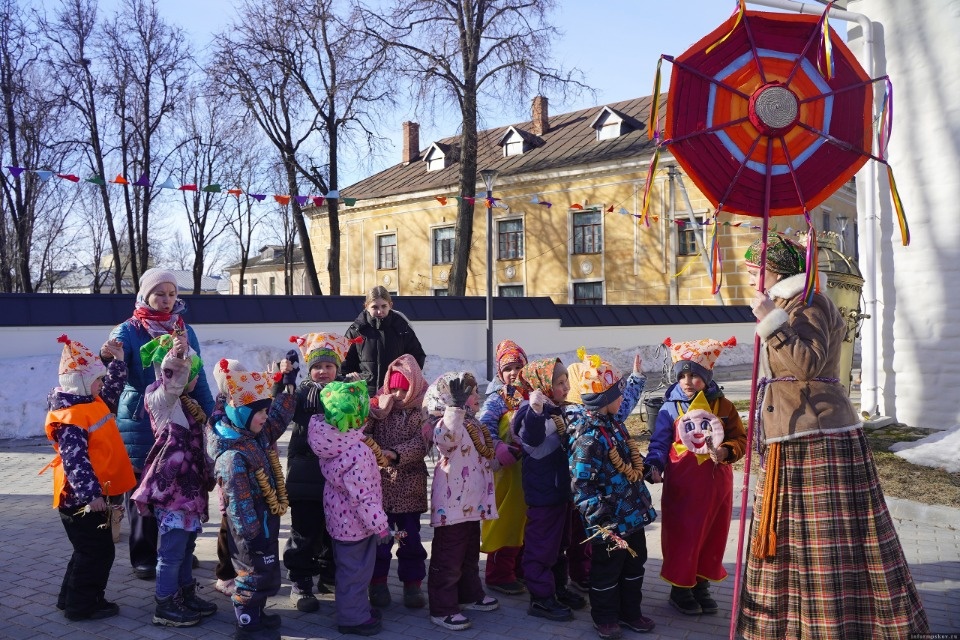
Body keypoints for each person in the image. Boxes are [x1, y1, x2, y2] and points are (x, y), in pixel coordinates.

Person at [736, 233, 929, 639]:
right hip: (793, 433)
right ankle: (790, 621)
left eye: (755, 269)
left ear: (776, 271)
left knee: (823, 538)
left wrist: (771, 322)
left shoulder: (811, 303)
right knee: (793, 535)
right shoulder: (789, 303)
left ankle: (833, 622)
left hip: (817, 436)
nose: (750, 276)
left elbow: (806, 364)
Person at [101, 267, 215, 580]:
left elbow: (198, 375)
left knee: (179, 485)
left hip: (179, 416)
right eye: (160, 294)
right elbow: (112, 360)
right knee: (143, 486)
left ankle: (178, 550)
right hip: (139, 418)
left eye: (172, 294)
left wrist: (210, 415)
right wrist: (108, 355)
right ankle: (144, 555)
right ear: (145, 295)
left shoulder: (184, 330)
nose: (167, 300)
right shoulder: (128, 329)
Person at [644, 337, 745, 616]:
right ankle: (681, 589)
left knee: (711, 534)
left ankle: (701, 585)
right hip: (683, 486)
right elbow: (659, 443)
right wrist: (654, 465)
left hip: (716, 485)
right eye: (682, 375)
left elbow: (740, 439)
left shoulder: (724, 407)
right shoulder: (670, 408)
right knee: (684, 535)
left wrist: (726, 451)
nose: (687, 382)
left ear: (707, 376)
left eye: (694, 375)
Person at [43, 335, 136, 621]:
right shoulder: (71, 417)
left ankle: (70, 599)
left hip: (92, 495)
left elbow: (113, 390)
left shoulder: (91, 402)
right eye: (97, 380)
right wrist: (91, 495)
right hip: (81, 500)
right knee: (97, 552)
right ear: (81, 382)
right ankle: (83, 606)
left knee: (87, 550)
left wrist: (118, 362)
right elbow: (76, 462)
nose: (101, 384)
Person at [568, 351, 657, 640]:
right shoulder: (588, 438)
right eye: (618, 393)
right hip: (608, 523)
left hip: (632, 514)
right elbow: (582, 487)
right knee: (607, 570)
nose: (622, 398)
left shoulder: (614, 425)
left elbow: (627, 460)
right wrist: (602, 522)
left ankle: (630, 612)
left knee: (635, 564)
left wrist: (646, 470)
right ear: (604, 399)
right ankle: (605, 617)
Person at [131, 335, 218, 627]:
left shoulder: (186, 402)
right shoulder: (160, 398)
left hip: (190, 492)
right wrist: (178, 359)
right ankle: (165, 603)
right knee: (171, 552)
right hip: (171, 493)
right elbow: (172, 382)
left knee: (187, 547)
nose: (195, 378)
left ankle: (185, 593)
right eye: (191, 372)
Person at [207, 359, 296, 640]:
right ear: (242, 412)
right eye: (259, 412)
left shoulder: (253, 434)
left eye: (265, 411)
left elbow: (278, 421)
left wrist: (286, 388)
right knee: (250, 576)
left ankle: (257, 613)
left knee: (265, 571)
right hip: (249, 530)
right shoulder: (233, 455)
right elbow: (239, 503)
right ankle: (246, 624)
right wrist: (253, 535)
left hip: (264, 521)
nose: (265, 417)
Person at [283, 332, 358, 611]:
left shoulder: (347, 390)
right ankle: (301, 581)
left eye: (328, 366)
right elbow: (280, 409)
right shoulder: (302, 392)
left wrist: (357, 390)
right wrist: (284, 383)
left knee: (333, 528)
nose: (323, 371)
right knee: (304, 530)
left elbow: (360, 419)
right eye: (317, 366)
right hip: (305, 473)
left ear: (337, 368)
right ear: (309, 369)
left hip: (338, 476)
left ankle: (329, 575)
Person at [308, 380, 388, 637]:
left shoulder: (330, 440)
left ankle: (357, 608)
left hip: (338, 520)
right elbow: (363, 495)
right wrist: (380, 525)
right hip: (357, 524)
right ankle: (353, 618)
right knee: (356, 572)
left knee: (347, 568)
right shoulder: (357, 451)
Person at [424, 372, 500, 631]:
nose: (477, 395)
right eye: (470, 393)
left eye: (475, 391)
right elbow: (447, 440)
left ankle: (469, 593)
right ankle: (442, 607)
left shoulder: (472, 423)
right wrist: (454, 408)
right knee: (448, 558)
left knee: (468, 554)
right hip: (452, 506)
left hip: (471, 503)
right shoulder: (446, 423)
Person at [511, 357, 586, 621]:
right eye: (560, 383)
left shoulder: (558, 409)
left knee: (559, 544)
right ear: (542, 385)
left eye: (567, 381)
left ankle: (557, 588)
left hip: (560, 492)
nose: (566, 387)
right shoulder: (529, 412)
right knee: (541, 547)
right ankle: (541, 598)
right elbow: (531, 438)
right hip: (543, 494)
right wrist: (535, 410)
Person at [365, 354, 430, 609]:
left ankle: (412, 584)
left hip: (409, 489)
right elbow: (364, 432)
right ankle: (378, 583)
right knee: (381, 541)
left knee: (408, 540)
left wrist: (395, 453)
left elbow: (423, 442)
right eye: (394, 389)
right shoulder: (380, 407)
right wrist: (375, 448)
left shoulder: (421, 410)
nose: (399, 395)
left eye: (404, 389)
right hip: (380, 488)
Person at [477, 339, 529, 594]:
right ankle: (498, 574)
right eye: (507, 368)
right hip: (506, 474)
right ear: (500, 372)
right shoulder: (497, 398)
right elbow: (484, 426)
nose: (513, 373)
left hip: (530, 473)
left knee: (525, 521)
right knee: (505, 520)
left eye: (518, 367)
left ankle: (520, 569)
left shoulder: (533, 393)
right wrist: (497, 446)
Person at [342, 285, 427, 397]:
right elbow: (344, 362)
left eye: (384, 306)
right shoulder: (357, 330)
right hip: (364, 394)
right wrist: (352, 379)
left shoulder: (402, 328)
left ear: (390, 305)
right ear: (366, 306)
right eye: (374, 307)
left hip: (394, 394)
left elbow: (416, 358)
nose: (379, 311)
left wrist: (401, 378)